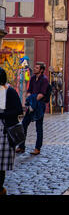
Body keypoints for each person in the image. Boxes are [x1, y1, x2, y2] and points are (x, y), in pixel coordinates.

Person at [16, 63, 49, 155]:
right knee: (24, 124)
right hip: (31, 106)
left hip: (39, 106)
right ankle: (21, 146)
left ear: (41, 70)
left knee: (39, 128)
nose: (34, 69)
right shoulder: (33, 79)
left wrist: (32, 98)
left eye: (37, 68)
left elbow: (41, 95)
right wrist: (31, 99)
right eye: (35, 67)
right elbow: (29, 92)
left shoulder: (44, 80)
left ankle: (37, 148)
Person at [0, 67, 23, 196]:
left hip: (5, 132)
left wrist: (2, 115)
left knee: (1, 165)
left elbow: (19, 110)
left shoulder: (10, 92)